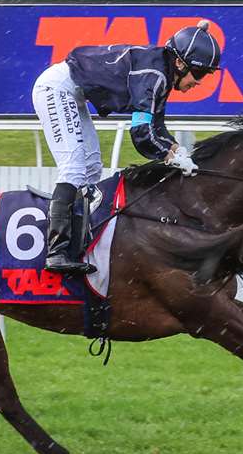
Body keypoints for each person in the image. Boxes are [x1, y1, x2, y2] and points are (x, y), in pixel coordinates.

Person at [31, 20, 221, 274]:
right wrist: (170, 156)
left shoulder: (161, 73)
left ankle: (76, 244)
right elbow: (141, 135)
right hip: (57, 88)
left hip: (72, 91)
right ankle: (56, 252)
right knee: (74, 168)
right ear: (179, 63)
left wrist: (177, 150)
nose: (198, 82)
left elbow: (157, 128)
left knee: (92, 167)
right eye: (198, 73)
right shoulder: (154, 76)